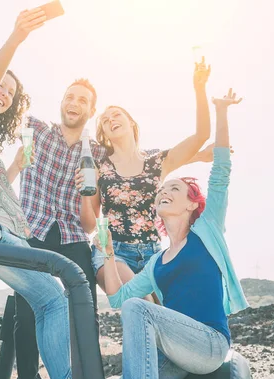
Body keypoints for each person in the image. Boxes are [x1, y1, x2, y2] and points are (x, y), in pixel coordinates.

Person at [0, 28, 102, 379]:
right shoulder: (35, 128)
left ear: (89, 110)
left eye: (82, 99)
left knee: (80, 308)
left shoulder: (93, 152)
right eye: (69, 96)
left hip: (70, 236)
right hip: (26, 230)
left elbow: (92, 219)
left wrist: (91, 185)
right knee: (28, 312)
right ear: (61, 102)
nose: (73, 102)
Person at [99, 89, 248, 379]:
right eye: (163, 188)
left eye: (175, 187)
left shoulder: (207, 232)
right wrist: (108, 252)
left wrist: (221, 111)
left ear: (192, 204)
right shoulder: (157, 262)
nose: (165, 190)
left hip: (209, 344)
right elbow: (117, 299)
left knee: (139, 309)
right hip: (176, 350)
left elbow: (221, 171)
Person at [77, 60, 213, 299]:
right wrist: (84, 194)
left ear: (131, 122)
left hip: (152, 252)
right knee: (143, 303)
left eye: (116, 115)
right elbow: (89, 221)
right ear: (104, 134)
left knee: (167, 316)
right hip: (113, 252)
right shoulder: (101, 167)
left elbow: (201, 135)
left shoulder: (157, 161)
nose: (111, 120)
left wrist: (199, 88)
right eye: (105, 121)